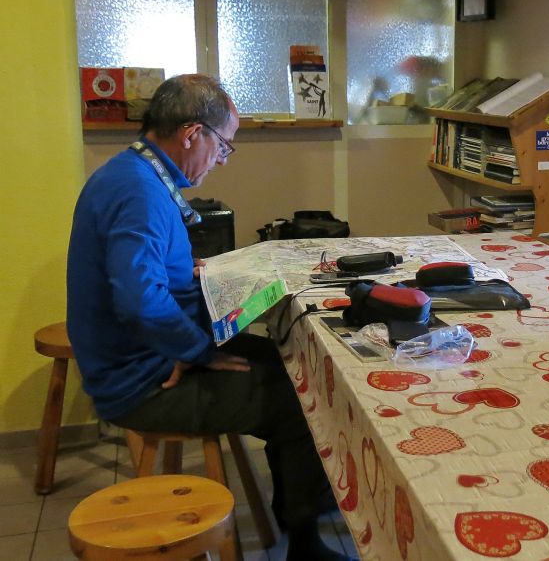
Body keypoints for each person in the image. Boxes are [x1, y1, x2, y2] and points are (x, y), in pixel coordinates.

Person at [66, 74, 345, 561]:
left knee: (294, 359)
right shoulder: (139, 193)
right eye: (224, 146)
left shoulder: (135, 173)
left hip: (151, 354)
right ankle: (304, 541)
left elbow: (142, 272)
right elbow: (138, 302)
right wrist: (196, 352)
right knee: (304, 396)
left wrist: (188, 271)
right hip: (142, 382)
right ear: (192, 133)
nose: (221, 159)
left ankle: (309, 501)